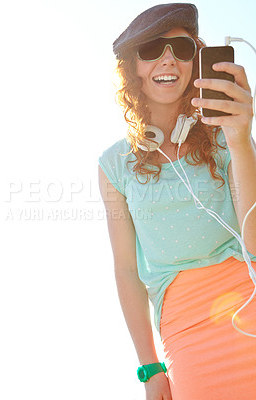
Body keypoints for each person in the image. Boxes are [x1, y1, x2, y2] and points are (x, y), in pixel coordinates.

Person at [98, 3, 256, 400]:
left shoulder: (226, 133)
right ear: (132, 67)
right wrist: (150, 367)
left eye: (183, 49)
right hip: (184, 328)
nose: (169, 59)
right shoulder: (113, 165)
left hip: (248, 299)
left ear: (196, 60)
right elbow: (126, 271)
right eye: (152, 48)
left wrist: (239, 140)